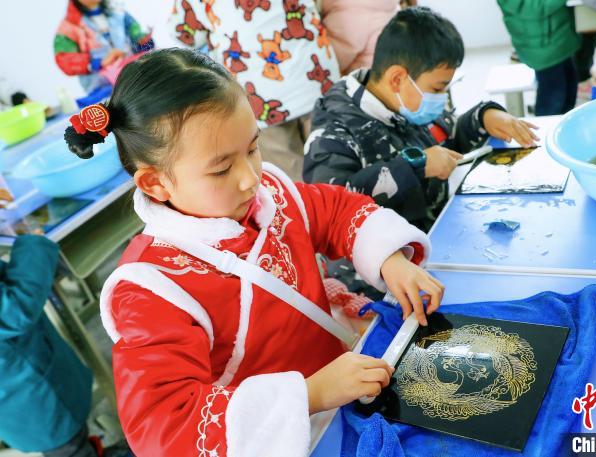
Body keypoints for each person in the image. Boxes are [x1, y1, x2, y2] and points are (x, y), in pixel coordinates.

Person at [64, 47, 443, 456]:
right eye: (222, 168)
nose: (249, 179)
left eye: (253, 147)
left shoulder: (269, 193)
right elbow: (163, 426)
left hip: (350, 382)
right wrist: (310, 395)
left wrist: (390, 259)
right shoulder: (151, 288)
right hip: (287, 435)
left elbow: (333, 211)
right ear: (156, 183)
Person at [304, 6, 538, 232]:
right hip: (381, 266)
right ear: (397, 78)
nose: (441, 98)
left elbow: (450, 139)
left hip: (433, 232)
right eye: (437, 89)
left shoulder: (405, 102)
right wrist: (415, 166)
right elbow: (329, 208)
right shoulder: (334, 130)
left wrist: (484, 117)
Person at [169, 0, 340, 180]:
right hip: (317, 77)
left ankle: (311, 204)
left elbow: (184, 33)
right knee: (335, 154)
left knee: (292, 173)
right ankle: (353, 200)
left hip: (259, 93)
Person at [0, 235, 96, 456]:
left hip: (22, 399)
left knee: (72, 441)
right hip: (34, 400)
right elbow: (17, 309)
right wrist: (33, 244)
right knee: (70, 447)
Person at [496, 0, 581, 115]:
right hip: (543, 46)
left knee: (569, 91)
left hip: (559, 39)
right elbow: (533, 9)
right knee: (553, 99)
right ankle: (544, 131)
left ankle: (562, 128)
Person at [54, 0, 154, 93]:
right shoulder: (68, 27)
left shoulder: (117, 13)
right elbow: (65, 59)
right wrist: (98, 62)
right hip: (103, 85)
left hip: (134, 71)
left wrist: (144, 42)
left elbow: (137, 34)